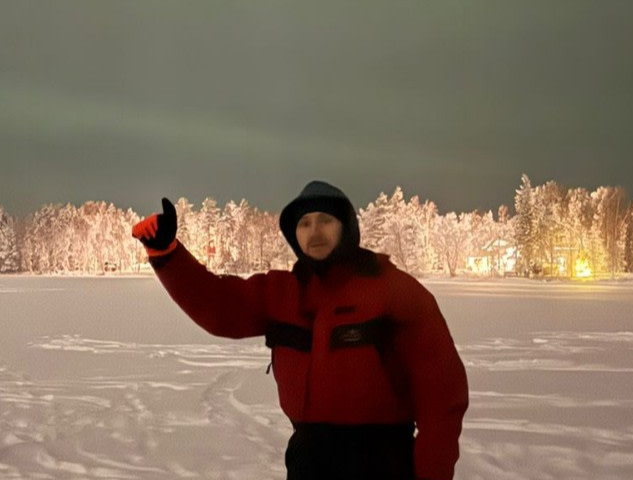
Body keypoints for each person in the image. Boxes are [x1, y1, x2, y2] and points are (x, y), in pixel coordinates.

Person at [131, 180, 468, 480]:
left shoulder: (395, 292)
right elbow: (220, 307)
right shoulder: (283, 293)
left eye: (325, 220)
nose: (314, 231)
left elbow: (442, 399)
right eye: (304, 224)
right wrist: (166, 254)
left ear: (347, 227)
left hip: (384, 461)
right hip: (309, 458)